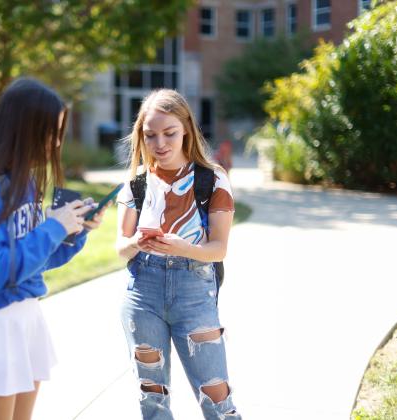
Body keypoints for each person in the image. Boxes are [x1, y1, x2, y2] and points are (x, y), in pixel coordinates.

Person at [0, 78, 107, 420]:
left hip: (22, 320)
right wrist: (53, 226)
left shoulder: (25, 182)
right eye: (51, 132)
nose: (57, 142)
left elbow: (32, 260)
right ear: (24, 130)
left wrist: (73, 232)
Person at [116, 89, 241, 419]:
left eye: (169, 133)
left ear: (186, 128)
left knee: (217, 399)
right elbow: (120, 247)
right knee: (152, 400)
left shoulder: (212, 179)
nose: (160, 144)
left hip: (194, 293)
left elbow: (219, 249)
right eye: (150, 135)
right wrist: (138, 245)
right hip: (143, 292)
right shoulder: (136, 184)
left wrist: (182, 247)